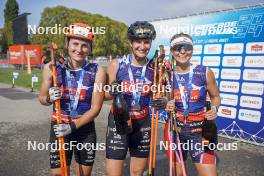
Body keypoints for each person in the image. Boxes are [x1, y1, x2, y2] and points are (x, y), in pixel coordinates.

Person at [38, 23, 106, 176]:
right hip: (59, 124)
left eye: (84, 45)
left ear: (89, 48)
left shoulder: (97, 71)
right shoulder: (53, 67)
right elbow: (41, 98)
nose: (79, 49)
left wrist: (72, 127)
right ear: (66, 44)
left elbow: (95, 108)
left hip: (85, 128)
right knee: (59, 174)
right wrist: (49, 98)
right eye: (75, 44)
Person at [104, 21, 168, 176]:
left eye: (146, 42)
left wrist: (164, 100)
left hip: (143, 121)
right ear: (130, 43)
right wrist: (111, 90)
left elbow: (163, 93)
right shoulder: (116, 64)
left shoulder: (156, 67)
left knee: (137, 172)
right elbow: (105, 95)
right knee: (113, 173)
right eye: (138, 42)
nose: (142, 46)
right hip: (119, 120)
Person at [164, 33, 221, 176]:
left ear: (192, 49)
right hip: (175, 130)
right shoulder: (166, 75)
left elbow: (216, 97)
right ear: (172, 51)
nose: (182, 51)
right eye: (177, 48)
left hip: (200, 132)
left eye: (186, 47)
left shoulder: (204, 72)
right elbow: (165, 98)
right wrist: (166, 103)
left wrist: (214, 108)